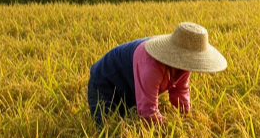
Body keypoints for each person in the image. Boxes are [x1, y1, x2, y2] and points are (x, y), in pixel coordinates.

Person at [87, 22, 228, 127]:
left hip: (131, 86)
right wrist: (165, 131)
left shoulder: (183, 66)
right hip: (105, 83)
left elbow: (180, 90)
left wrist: (186, 118)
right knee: (108, 129)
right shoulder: (151, 66)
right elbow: (147, 110)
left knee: (129, 121)